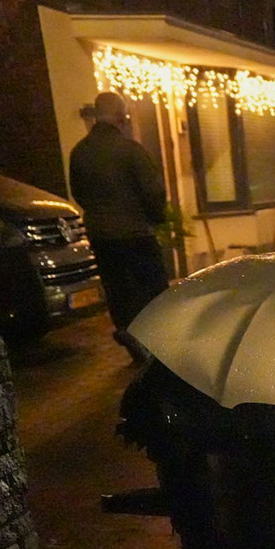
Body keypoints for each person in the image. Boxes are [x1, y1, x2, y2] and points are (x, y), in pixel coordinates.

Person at [69, 92, 169, 364]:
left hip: (102, 236)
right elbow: (153, 192)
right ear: (121, 117)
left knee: (118, 290)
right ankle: (158, 345)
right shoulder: (130, 151)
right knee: (153, 290)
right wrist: (156, 218)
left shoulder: (80, 152)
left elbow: (78, 192)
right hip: (135, 233)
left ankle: (129, 334)